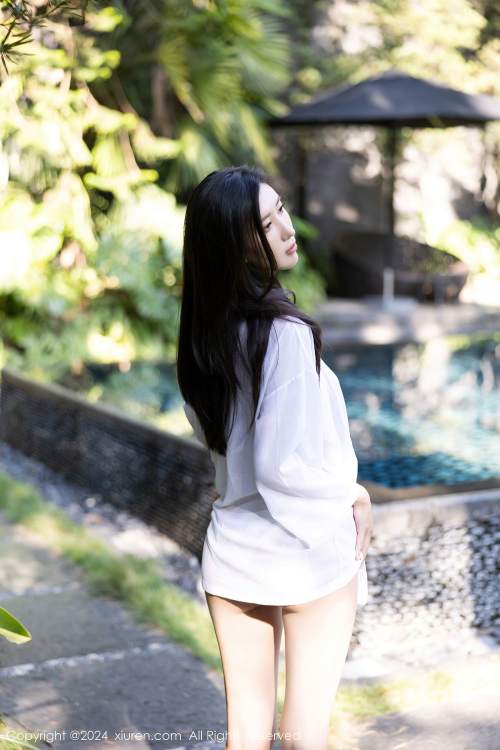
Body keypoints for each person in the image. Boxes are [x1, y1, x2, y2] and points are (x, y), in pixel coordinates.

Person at [177, 165, 373, 750]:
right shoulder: (283, 332)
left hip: (234, 546)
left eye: (281, 210)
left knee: (246, 732)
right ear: (234, 247)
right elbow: (279, 465)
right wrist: (351, 494)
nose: (287, 229)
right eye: (266, 225)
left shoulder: (204, 333)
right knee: (303, 734)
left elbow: (218, 439)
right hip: (304, 550)